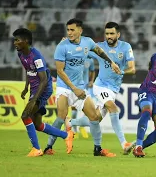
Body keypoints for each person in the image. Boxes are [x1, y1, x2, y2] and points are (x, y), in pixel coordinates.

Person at [44, 18, 120, 157]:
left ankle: (98, 149)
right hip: (65, 87)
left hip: (80, 88)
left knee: (94, 118)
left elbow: (99, 51)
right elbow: (60, 71)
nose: (69, 33)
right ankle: (48, 147)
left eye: (72, 30)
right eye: (68, 30)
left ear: (80, 30)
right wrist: (74, 89)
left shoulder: (87, 42)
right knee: (60, 117)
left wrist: (112, 62)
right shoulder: (62, 47)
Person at [70, 22, 136, 154]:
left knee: (95, 119)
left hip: (113, 89)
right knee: (113, 108)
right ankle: (124, 144)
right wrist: (69, 43)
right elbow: (80, 49)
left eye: (112, 33)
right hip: (100, 86)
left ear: (118, 34)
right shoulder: (99, 47)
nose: (109, 36)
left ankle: (70, 122)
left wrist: (121, 72)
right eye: (107, 34)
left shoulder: (125, 47)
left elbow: (132, 68)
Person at [13, 28, 73, 157]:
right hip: (34, 89)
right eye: (15, 40)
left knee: (25, 115)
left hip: (43, 89)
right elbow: (29, 71)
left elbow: (44, 80)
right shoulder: (21, 54)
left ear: (26, 41)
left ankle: (36, 149)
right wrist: (26, 87)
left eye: (17, 40)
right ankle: (66, 135)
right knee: (38, 125)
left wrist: (35, 99)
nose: (15, 43)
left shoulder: (36, 56)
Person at [70, 56, 95, 139]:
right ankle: (74, 130)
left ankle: (81, 126)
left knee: (88, 110)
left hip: (86, 88)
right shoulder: (74, 57)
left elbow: (92, 71)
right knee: (74, 111)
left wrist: (91, 81)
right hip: (76, 88)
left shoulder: (90, 59)